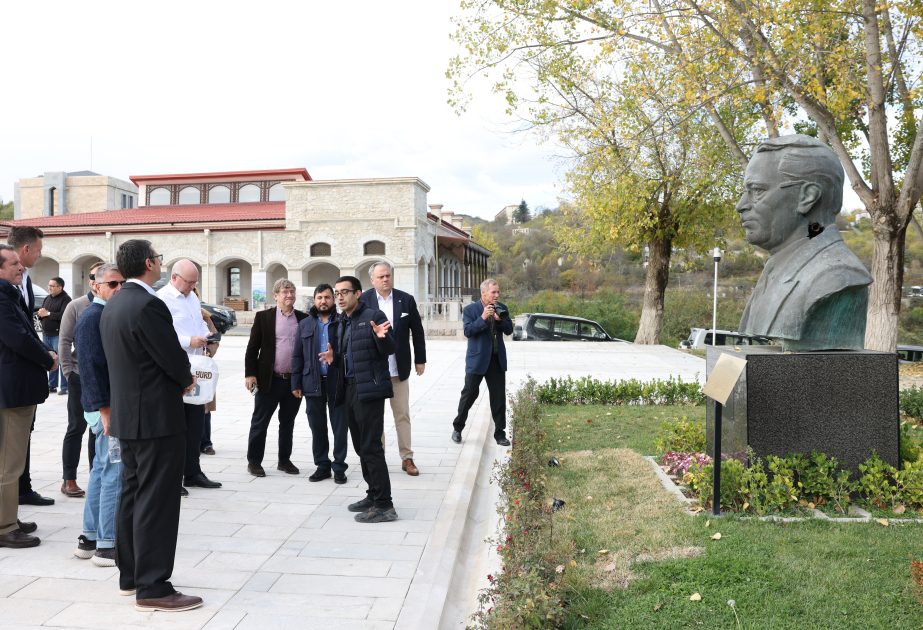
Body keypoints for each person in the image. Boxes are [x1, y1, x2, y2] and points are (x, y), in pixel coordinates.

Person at [100, 239, 203, 612]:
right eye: (159, 258)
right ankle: (154, 585)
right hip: (156, 419)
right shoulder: (148, 304)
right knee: (157, 500)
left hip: (129, 416)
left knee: (133, 495)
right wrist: (187, 379)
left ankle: (131, 575)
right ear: (149, 263)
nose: (161, 263)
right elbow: (171, 358)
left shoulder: (114, 304)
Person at [736, 135, 873, 351]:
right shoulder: (776, 267)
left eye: (757, 191)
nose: (741, 205)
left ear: (807, 197)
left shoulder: (838, 277)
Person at [321, 275, 397, 523]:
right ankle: (373, 495)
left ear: (358, 294)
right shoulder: (342, 321)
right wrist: (335, 360)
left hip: (371, 390)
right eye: (337, 292)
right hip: (350, 389)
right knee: (360, 447)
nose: (340, 297)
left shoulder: (374, 316)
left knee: (372, 447)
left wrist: (381, 337)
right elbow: (349, 355)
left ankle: (385, 505)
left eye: (345, 292)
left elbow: (390, 349)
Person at [0, 244, 56, 548]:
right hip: (12, 390)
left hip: (13, 388)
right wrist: (48, 359)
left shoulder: (8, 294)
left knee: (10, 460)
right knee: (10, 462)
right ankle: (5, 526)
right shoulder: (1, 296)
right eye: (12, 264)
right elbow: (17, 338)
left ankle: (7, 516)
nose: (20, 267)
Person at [73, 263, 124, 567]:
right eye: (112, 284)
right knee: (111, 473)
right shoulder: (93, 317)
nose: (118, 288)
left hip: (105, 408)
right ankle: (105, 544)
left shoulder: (104, 314)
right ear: (97, 286)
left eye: (121, 284)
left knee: (101, 471)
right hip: (105, 410)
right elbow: (89, 369)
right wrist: (104, 410)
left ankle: (89, 538)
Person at [157, 260, 221, 494]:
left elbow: (197, 325)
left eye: (195, 282)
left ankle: (192, 472)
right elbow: (160, 335)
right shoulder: (162, 299)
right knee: (175, 428)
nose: (193, 286)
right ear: (174, 277)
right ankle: (172, 478)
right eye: (189, 282)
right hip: (174, 369)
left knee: (196, 424)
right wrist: (188, 341)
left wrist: (207, 336)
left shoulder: (192, 297)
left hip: (197, 368)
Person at [359, 262, 426, 476]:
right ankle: (378, 459)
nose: (385, 279)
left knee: (402, 415)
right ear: (372, 280)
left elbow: (417, 331)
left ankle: (407, 458)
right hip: (374, 371)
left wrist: (420, 359)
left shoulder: (405, 299)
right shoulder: (363, 301)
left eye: (388, 275)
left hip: (399, 369)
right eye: (381, 277)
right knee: (375, 418)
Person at [244, 279, 307, 477]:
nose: (289, 295)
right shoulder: (264, 317)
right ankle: (254, 462)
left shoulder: (303, 319)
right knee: (260, 422)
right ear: (276, 295)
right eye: (285, 291)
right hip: (268, 380)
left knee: (287, 423)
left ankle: (284, 460)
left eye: (292, 291)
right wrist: (250, 374)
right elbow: (252, 348)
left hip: (294, 382)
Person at [59, 260, 105, 498]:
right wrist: (68, 372)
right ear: (91, 281)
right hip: (78, 375)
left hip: (102, 378)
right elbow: (64, 340)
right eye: (96, 276)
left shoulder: (111, 305)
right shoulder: (77, 306)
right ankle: (69, 479)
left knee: (97, 430)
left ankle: (95, 475)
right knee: (76, 428)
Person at [292, 284, 347, 483]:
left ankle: (339, 467)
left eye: (327, 297)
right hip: (312, 383)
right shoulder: (305, 324)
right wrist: (295, 383)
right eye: (319, 297)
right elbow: (297, 355)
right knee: (317, 427)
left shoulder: (342, 322)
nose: (323, 301)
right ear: (314, 300)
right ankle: (322, 465)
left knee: (340, 426)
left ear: (333, 299)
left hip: (337, 382)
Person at [451, 279, 513, 447]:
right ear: (483, 292)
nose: (497, 295)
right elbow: (468, 331)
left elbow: (509, 330)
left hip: (496, 359)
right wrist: (483, 318)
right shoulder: (471, 310)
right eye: (494, 292)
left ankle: (500, 434)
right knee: (469, 395)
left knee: (498, 398)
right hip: (477, 359)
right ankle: (458, 428)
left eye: (498, 292)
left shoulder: (502, 308)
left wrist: (500, 320)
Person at [195, 294, 220, 457]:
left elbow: (215, 339)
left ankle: (206, 442)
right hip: (186, 365)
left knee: (204, 405)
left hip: (202, 367)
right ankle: (192, 442)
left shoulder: (205, 317)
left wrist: (207, 351)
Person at [39, 276, 71, 395]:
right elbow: (42, 313)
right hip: (46, 334)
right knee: (50, 360)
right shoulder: (47, 298)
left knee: (62, 361)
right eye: (49, 285)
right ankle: (52, 385)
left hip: (58, 335)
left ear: (60, 287)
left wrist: (48, 314)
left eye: (52, 286)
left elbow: (64, 315)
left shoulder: (66, 299)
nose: (49, 288)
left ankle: (64, 386)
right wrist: (42, 315)